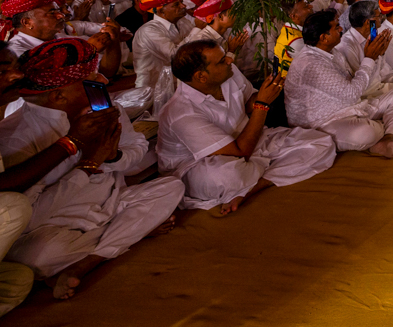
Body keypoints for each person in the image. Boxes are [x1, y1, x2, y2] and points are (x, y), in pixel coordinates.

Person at [0, 39, 184, 299]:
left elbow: (137, 146)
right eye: (91, 78)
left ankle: (88, 260)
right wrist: (88, 166)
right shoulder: (15, 136)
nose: (104, 82)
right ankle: (128, 233)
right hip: (54, 225)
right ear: (59, 95)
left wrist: (114, 156)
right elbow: (30, 217)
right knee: (36, 257)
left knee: (172, 186)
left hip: (111, 202)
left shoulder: (104, 108)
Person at [157, 40, 336, 215]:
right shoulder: (181, 113)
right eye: (222, 61)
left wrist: (269, 90)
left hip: (249, 138)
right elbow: (239, 151)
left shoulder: (229, 72)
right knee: (228, 177)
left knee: (322, 142)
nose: (230, 60)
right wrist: (262, 105)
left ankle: (255, 186)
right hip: (205, 165)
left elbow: (249, 100)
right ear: (201, 77)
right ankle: (270, 167)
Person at [285, 10, 393, 158]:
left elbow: (359, 86)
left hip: (348, 108)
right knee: (368, 133)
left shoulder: (332, 52)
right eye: (336, 27)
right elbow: (352, 94)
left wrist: (376, 56)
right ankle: (384, 131)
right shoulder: (311, 63)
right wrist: (369, 59)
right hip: (321, 123)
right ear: (323, 37)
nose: (341, 29)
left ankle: (388, 137)